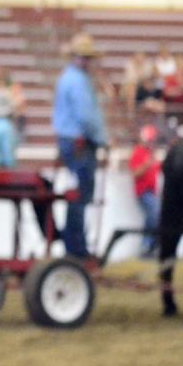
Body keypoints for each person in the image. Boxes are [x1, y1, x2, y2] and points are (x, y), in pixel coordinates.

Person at [51, 33, 108, 260]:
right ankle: (76, 248)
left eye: (87, 57)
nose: (85, 61)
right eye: (82, 57)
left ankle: (74, 244)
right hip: (80, 144)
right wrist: (102, 138)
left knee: (78, 194)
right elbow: (86, 116)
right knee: (81, 195)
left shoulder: (70, 78)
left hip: (72, 142)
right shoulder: (78, 81)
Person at [129, 124, 162, 258]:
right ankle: (147, 244)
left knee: (154, 217)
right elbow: (135, 173)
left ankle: (151, 245)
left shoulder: (150, 154)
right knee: (154, 216)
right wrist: (146, 165)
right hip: (144, 192)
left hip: (152, 192)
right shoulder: (138, 152)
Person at [161, 53, 183, 127]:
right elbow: (168, 92)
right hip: (172, 109)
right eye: (178, 63)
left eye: (182, 63)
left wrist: (180, 85)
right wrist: (181, 89)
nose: (181, 65)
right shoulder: (169, 77)